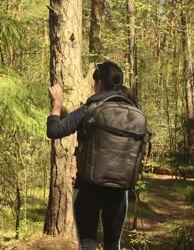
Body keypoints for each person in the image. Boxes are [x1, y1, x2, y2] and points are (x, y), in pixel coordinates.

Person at [47, 61, 134, 250]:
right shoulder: (132, 113)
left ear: (99, 84)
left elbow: (54, 130)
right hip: (119, 190)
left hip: (87, 187)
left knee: (87, 245)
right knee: (113, 245)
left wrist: (57, 105)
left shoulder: (89, 110)